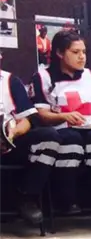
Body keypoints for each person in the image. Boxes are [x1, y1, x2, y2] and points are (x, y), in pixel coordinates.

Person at [30, 29, 91, 215]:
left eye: (84, 52)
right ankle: (66, 201)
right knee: (71, 140)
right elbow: (41, 114)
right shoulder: (43, 77)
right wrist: (63, 116)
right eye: (75, 52)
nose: (82, 57)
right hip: (61, 128)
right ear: (60, 53)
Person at [0, 58, 59, 223]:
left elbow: (26, 120)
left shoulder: (10, 81)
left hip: (9, 143)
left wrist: (12, 133)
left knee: (49, 137)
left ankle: (27, 196)